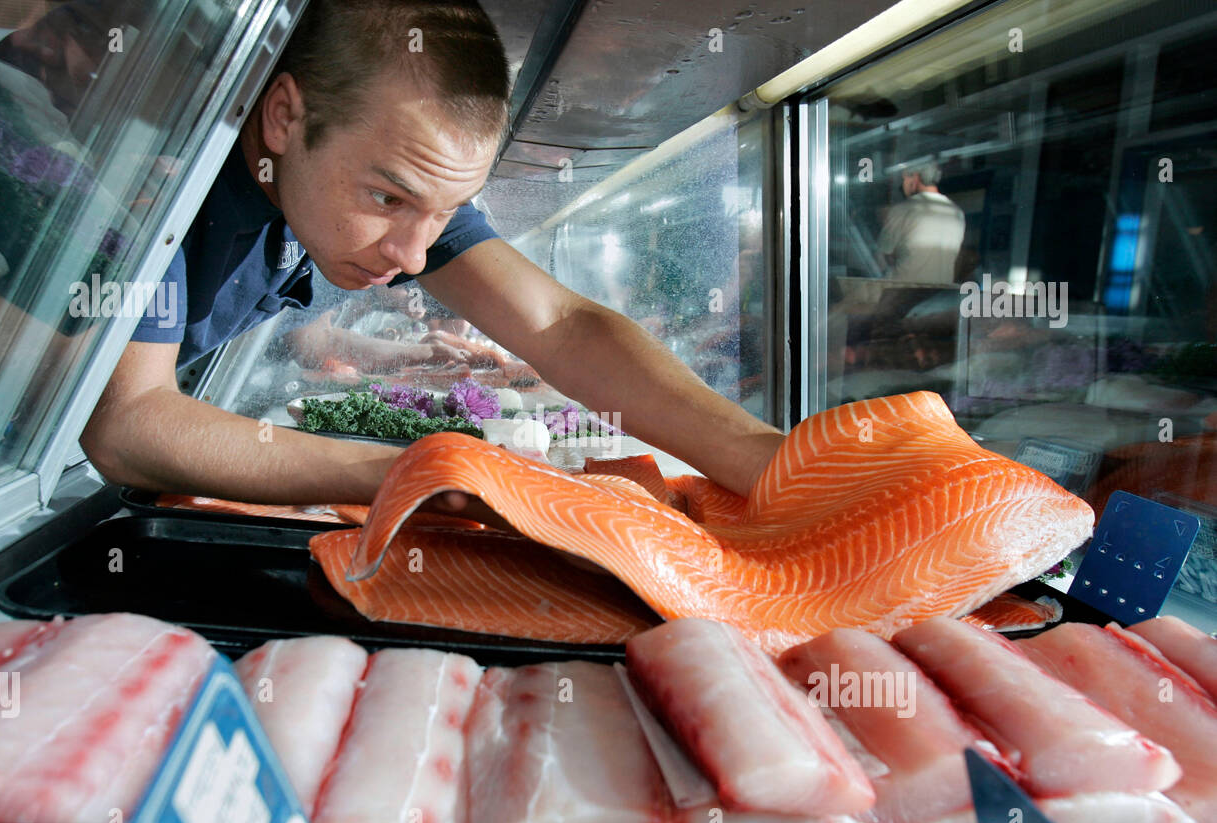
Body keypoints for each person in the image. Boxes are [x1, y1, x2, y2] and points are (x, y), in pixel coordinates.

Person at [62, 0, 785, 513]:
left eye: (443, 211)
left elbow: (561, 326)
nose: (413, 257)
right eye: (387, 199)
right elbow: (127, 422)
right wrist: (432, 472)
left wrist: (767, 461)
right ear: (284, 117)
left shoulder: (396, 182)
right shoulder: (158, 187)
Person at [875, 159, 965, 285]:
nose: (903, 184)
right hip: (941, 291)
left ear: (915, 177)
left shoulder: (903, 210)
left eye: (904, 179)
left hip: (902, 290)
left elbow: (881, 256)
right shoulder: (957, 212)